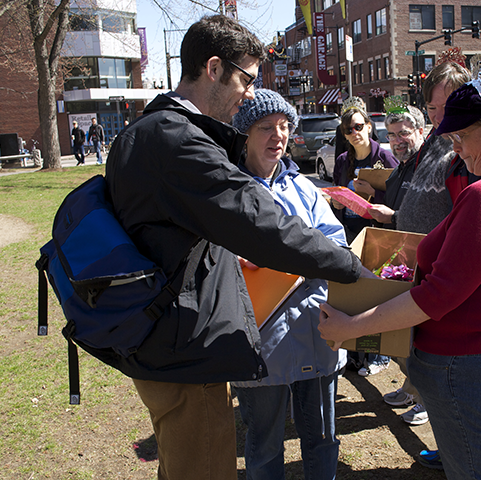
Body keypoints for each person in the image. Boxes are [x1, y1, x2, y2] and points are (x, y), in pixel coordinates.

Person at [105, 16, 366, 480]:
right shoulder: (178, 140)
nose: (248, 92)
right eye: (245, 78)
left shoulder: (142, 132)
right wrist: (353, 268)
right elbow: (261, 225)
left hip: (161, 340)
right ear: (212, 68)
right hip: (183, 351)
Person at [318, 73, 481, 480]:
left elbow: (435, 296)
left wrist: (351, 326)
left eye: (460, 135)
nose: (454, 146)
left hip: (473, 364)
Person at [231, 89, 346, 480]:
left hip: (317, 329)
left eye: (283, 127)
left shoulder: (305, 187)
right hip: (260, 341)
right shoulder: (227, 192)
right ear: (244, 134)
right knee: (263, 444)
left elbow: (338, 242)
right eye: (265, 127)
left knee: (324, 438)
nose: (277, 136)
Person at [367, 60, 476, 429]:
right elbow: (417, 203)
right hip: (410, 260)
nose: (440, 115)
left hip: (443, 277)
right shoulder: (429, 148)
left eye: (448, 106)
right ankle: (419, 393)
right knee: (407, 343)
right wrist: (392, 219)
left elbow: (467, 221)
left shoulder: (464, 154)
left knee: (428, 353)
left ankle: (427, 401)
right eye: (433, 108)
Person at [331, 97, 398, 377]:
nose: (354, 133)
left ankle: (379, 356)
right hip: (350, 231)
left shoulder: (384, 158)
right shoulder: (343, 161)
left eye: (359, 126)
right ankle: (357, 356)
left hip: (377, 235)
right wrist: (335, 203)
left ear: (369, 127)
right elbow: (337, 196)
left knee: (375, 296)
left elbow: (396, 197)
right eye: (348, 130)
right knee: (354, 294)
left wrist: (372, 192)